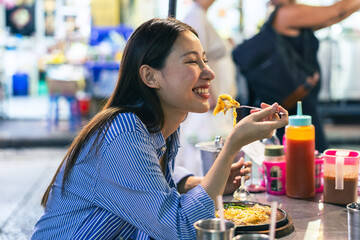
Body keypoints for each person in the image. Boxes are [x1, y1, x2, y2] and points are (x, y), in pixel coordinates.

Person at [31, 18, 288, 240]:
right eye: (192, 62)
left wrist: (201, 183)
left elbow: (155, 181)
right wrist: (233, 144)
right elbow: (181, 229)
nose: (208, 72)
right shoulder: (124, 133)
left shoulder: (159, 126)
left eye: (205, 60)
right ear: (150, 77)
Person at [241, 0, 360, 153]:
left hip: (299, 103)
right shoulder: (286, 13)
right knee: (307, 162)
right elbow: (337, 12)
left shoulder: (284, 14)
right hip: (296, 107)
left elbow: (334, 17)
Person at [175, 0, 238, 178]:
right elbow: (195, 57)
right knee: (204, 142)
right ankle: (204, 181)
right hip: (210, 99)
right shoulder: (195, 16)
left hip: (215, 97)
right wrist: (208, 95)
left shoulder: (201, 16)